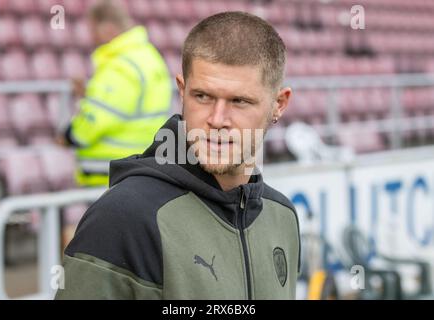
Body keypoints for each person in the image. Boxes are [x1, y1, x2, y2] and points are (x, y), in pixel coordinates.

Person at [56, 11, 300, 300]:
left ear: (279, 104)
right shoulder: (121, 218)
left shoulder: (282, 216)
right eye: (203, 96)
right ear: (182, 91)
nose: (217, 119)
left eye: (239, 101)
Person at [62, 0, 172, 187]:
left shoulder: (120, 65)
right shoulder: (149, 55)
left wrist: (68, 135)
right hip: (142, 164)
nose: (91, 37)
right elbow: (130, 106)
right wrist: (87, 94)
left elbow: (95, 122)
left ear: (107, 29)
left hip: (111, 172)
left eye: (92, 30)